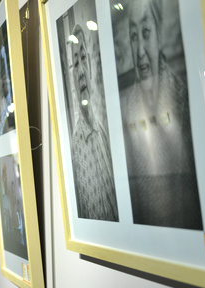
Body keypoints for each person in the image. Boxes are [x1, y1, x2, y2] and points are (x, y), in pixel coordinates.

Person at [122, 0, 202, 229]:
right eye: (133, 35)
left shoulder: (183, 96)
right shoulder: (130, 106)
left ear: (159, 35)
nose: (139, 51)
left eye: (146, 32)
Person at [69, 23, 119, 221]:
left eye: (83, 59)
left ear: (90, 66)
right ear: (72, 76)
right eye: (75, 63)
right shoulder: (76, 147)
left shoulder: (103, 132)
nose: (81, 71)